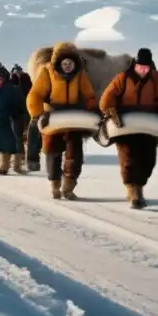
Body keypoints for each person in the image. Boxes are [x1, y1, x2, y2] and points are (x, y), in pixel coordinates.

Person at [100, 47, 158, 209]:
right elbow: (107, 98)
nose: (143, 70)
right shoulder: (122, 78)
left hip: (148, 125)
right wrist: (111, 110)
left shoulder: (155, 80)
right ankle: (134, 192)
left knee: (148, 159)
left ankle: (138, 186)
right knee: (128, 158)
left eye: (147, 67)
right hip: (125, 125)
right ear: (135, 65)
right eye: (141, 67)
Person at [27, 43, 98, 199]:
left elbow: (89, 94)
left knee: (75, 154)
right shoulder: (47, 71)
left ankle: (69, 186)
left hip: (73, 117)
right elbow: (35, 94)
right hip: (52, 117)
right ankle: (55, 184)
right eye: (64, 63)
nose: (67, 66)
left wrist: (93, 109)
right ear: (58, 61)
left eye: (70, 63)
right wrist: (37, 114)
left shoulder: (80, 74)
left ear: (75, 62)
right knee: (52, 151)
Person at [9, 64, 34, 174]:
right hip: (19, 112)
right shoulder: (11, 81)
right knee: (18, 136)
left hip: (24, 111)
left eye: (18, 70)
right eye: (16, 71)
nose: (17, 72)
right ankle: (20, 158)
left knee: (20, 136)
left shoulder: (25, 80)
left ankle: (22, 158)